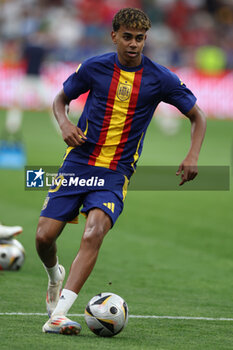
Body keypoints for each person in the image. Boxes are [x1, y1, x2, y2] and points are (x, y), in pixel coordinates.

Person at [36, 8, 206, 335]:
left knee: (94, 232)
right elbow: (60, 99)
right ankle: (54, 274)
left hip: (116, 172)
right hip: (78, 163)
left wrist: (193, 154)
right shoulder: (94, 67)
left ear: (146, 40)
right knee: (44, 237)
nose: (133, 44)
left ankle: (58, 315)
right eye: (127, 37)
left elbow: (197, 115)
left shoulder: (161, 78)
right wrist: (65, 123)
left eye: (140, 39)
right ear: (114, 36)